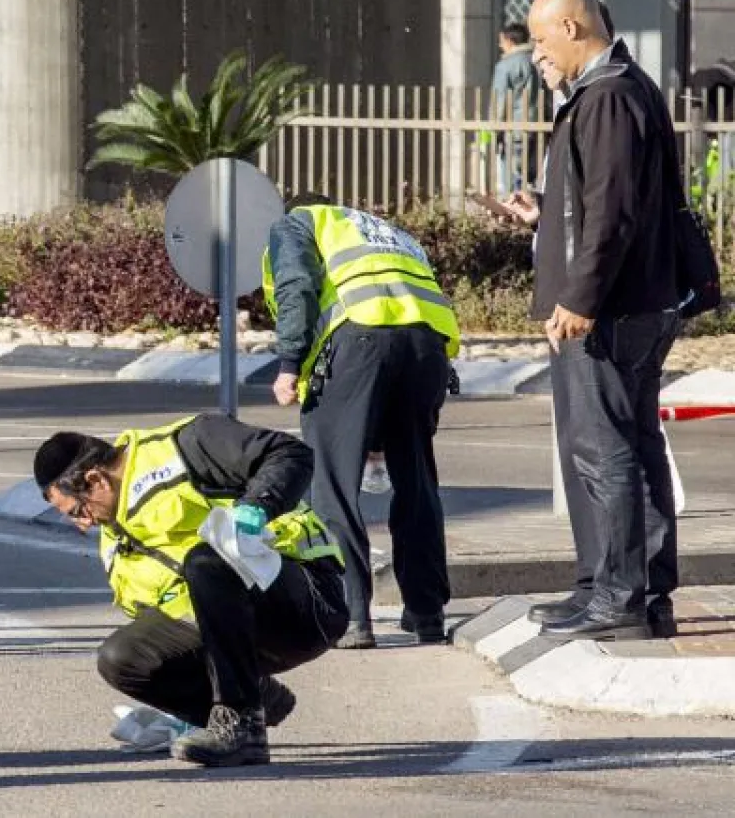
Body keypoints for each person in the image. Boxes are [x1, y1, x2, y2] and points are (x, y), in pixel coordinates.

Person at [500, 0, 682, 641]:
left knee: (602, 449)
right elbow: (601, 203)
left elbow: (614, 211)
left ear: (573, 28)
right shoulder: (629, 90)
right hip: (631, 302)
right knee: (631, 445)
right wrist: (546, 216)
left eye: (544, 41)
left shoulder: (606, 97)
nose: (540, 54)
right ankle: (632, 591)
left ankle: (618, 596)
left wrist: (579, 297)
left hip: (607, 312)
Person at [34, 415, 347, 767]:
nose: (83, 524)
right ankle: (250, 699)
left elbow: (291, 453)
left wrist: (256, 507)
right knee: (121, 658)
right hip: (236, 636)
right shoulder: (114, 542)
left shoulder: (185, 446)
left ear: (96, 480)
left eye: (79, 510)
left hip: (304, 598)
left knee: (206, 560)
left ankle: (239, 723)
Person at [263, 194, 460, 649]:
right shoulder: (389, 233)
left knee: (332, 484)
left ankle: (350, 614)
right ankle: (427, 612)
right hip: (427, 349)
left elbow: (297, 285)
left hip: (356, 344)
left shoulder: (298, 222)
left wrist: (290, 363)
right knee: (417, 482)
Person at [489, 22, 542, 197]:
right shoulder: (538, 62)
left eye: (501, 41)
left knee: (512, 180)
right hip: (540, 127)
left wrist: (495, 132)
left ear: (509, 41)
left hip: (515, 129)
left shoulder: (506, 65)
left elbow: (500, 101)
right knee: (534, 180)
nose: (500, 46)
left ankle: (514, 215)